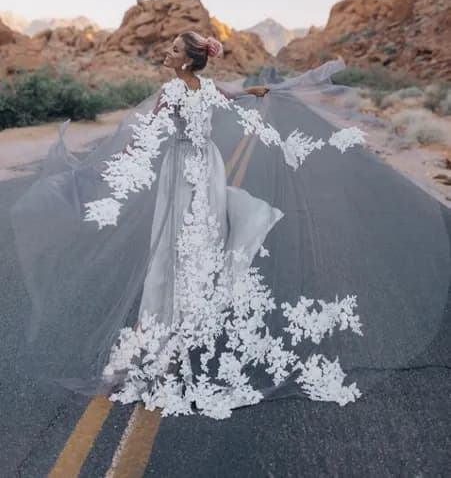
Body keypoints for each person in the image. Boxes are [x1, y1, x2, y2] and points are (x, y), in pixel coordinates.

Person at [10, 31, 449, 421]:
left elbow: (145, 135)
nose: (166, 52)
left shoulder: (173, 92)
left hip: (185, 168)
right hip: (204, 166)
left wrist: (103, 170)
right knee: (190, 247)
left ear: (187, 59)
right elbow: (238, 94)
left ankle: (170, 336)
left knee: (179, 248)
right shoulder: (208, 87)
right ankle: (177, 332)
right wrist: (263, 89)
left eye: (174, 48)